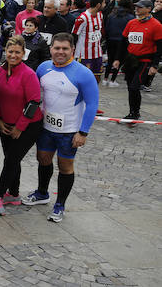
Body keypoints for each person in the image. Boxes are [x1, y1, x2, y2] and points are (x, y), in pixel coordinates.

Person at [23, 33, 99, 222]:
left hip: (70, 130)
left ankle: (60, 204)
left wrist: (83, 132)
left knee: (65, 166)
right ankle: (42, 193)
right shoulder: (43, 68)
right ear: (51, 49)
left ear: (72, 50)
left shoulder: (83, 73)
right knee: (43, 159)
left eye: (65, 48)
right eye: (57, 48)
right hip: (46, 128)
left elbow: (92, 104)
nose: (60, 52)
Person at [0, 36, 43, 216]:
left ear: (23, 53)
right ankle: (13, 193)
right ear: (5, 51)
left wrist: (20, 127)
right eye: (10, 51)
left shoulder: (28, 74)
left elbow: (34, 102)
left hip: (28, 126)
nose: (13, 55)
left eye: (17, 52)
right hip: (5, 124)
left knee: (11, 160)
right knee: (13, 159)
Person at [115, 0, 162, 122]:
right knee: (130, 87)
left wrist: (154, 66)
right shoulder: (131, 23)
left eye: (140, 7)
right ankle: (133, 112)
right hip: (131, 59)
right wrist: (118, 59)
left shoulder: (156, 25)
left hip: (145, 60)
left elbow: (159, 47)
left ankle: (135, 112)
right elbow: (123, 42)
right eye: (136, 7)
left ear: (148, 9)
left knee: (135, 87)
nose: (137, 9)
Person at [73, 0, 106, 83]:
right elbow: (74, 35)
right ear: (98, 5)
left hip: (97, 54)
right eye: (104, 3)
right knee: (83, 80)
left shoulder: (100, 15)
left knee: (97, 78)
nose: (105, 5)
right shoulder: (83, 18)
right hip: (84, 55)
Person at [103, 0, 134, 87]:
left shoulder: (111, 15)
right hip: (122, 41)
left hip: (110, 40)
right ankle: (112, 80)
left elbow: (107, 28)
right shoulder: (130, 17)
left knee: (110, 59)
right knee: (119, 60)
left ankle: (105, 79)